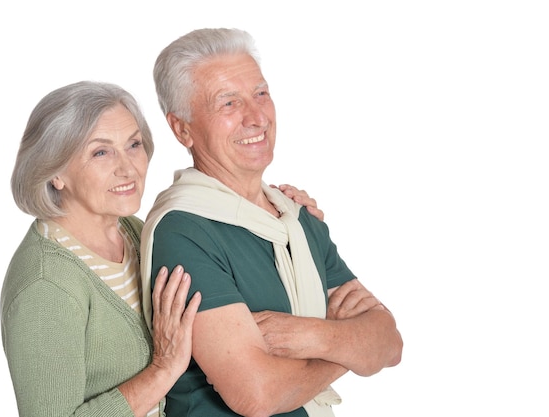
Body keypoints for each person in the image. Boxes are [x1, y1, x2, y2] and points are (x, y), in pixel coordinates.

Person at [0, 80, 324, 417]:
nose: (128, 168)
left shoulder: (136, 234)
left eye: (134, 144)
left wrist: (286, 219)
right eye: (100, 152)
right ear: (55, 173)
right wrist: (163, 369)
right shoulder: (46, 285)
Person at [140, 28, 403, 417]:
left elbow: (390, 343)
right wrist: (350, 349)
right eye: (228, 103)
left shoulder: (296, 219)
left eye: (261, 94)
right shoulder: (184, 231)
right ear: (182, 129)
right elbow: (257, 394)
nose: (256, 117)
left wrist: (311, 335)